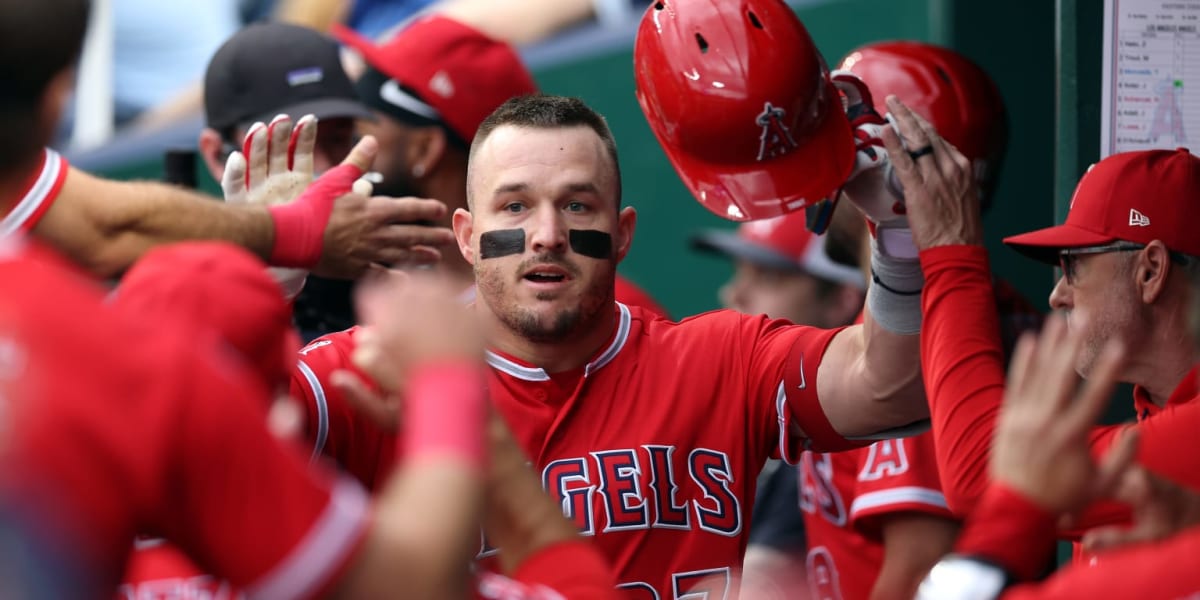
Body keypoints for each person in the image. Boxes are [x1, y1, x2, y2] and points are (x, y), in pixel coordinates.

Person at [0, 2, 613, 597]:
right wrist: (444, 386)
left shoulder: (106, 334)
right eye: (290, 139)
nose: (320, 164)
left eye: (341, 134)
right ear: (59, 98)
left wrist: (276, 242)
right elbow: (394, 582)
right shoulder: (114, 347)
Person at [294, 88, 927, 599]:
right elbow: (210, 425)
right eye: (514, 207)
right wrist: (266, 266)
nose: (547, 234)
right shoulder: (383, 370)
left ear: (622, 233)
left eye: (577, 206)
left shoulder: (719, 360)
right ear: (466, 234)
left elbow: (891, 383)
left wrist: (899, 232)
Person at [884, 67, 1200, 565]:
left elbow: (983, 476)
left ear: (1151, 271)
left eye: (1073, 267)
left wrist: (951, 253)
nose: (1056, 295)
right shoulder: (1158, 419)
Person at [333, 12, 670, 314]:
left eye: (362, 130)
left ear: (424, 152)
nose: (350, 150)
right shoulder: (379, 300)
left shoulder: (607, 313)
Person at [690, 210, 864, 596]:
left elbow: (758, 584)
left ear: (841, 298)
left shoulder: (850, 432)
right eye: (741, 272)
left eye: (768, 276)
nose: (734, 294)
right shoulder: (757, 410)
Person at [198, 20, 382, 338]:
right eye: (291, 144)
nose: (322, 168)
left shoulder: (397, 247)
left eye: (337, 139)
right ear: (216, 155)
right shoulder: (188, 284)